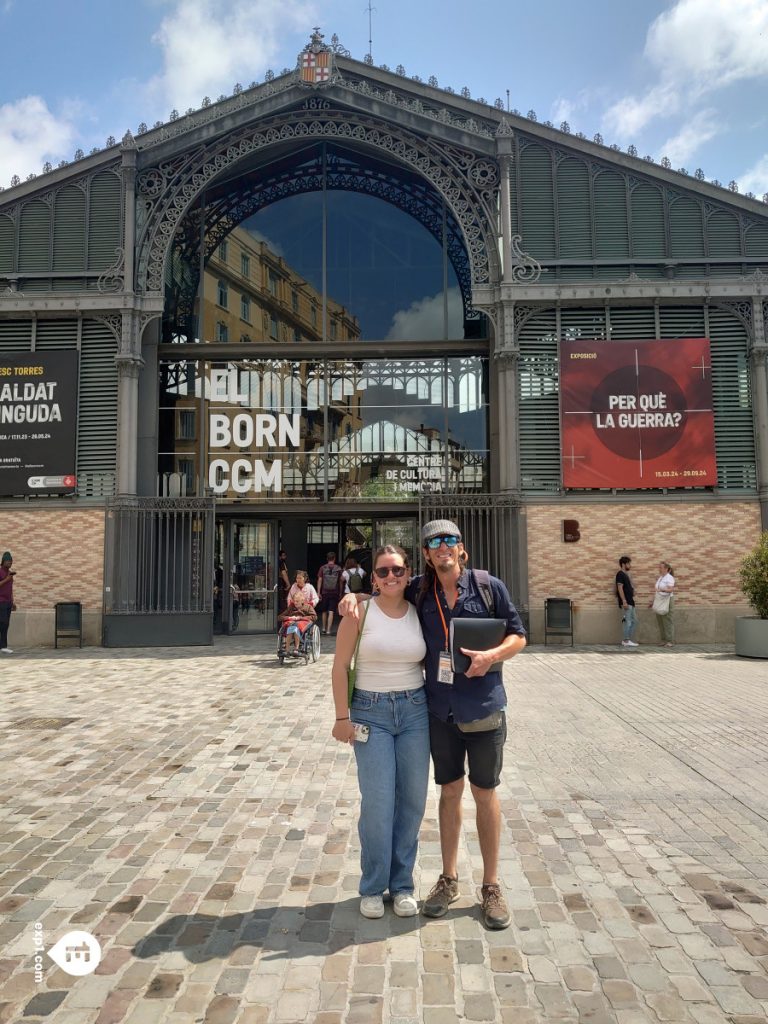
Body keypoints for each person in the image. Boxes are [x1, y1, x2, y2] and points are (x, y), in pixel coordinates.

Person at [339, 520, 527, 930]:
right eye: (434, 543)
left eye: (450, 541)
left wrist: (491, 656)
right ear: (426, 553)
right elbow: (384, 589)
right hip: (438, 710)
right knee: (448, 791)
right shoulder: (421, 589)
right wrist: (351, 595)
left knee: (484, 792)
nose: (442, 547)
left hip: (482, 707)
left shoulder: (488, 586)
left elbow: (519, 636)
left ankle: (491, 885)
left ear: (462, 549)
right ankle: (447, 878)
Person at [332, 545, 429, 920]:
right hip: (370, 713)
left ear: (409, 574)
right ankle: (373, 885)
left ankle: (402, 884)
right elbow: (340, 667)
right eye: (383, 571)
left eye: (398, 570)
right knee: (377, 800)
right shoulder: (360, 612)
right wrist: (342, 718)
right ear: (373, 577)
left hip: (415, 712)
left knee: (412, 800)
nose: (391, 577)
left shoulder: (419, 613)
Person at [279, 570, 319, 654]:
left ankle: (297, 647)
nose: (298, 580)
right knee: (290, 625)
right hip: (294, 610)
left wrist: (309, 605)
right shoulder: (293, 586)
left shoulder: (309, 587)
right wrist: (293, 606)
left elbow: (316, 598)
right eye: (297, 578)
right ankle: (287, 649)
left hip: (305, 610)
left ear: (305, 578)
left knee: (298, 625)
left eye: (300, 578)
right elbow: (289, 598)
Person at [317, 551, 343, 635]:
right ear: (334, 558)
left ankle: (323, 628)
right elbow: (341, 581)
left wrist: (318, 592)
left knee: (324, 611)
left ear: (327, 558)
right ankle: (329, 630)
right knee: (331, 611)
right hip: (334, 592)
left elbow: (320, 580)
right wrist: (340, 592)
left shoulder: (322, 568)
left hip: (324, 592)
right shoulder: (338, 568)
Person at [616, 556, 638, 647]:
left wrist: (630, 579)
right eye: (628, 563)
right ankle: (626, 640)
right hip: (626, 602)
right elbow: (620, 588)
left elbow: (633, 590)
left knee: (635, 621)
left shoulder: (626, 575)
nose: (630, 565)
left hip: (631, 601)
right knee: (628, 621)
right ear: (623, 564)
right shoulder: (620, 574)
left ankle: (627, 639)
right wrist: (624, 601)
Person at [652, 561, 676, 647]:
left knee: (667, 621)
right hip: (660, 601)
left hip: (667, 601)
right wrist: (652, 601)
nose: (659, 569)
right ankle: (663, 640)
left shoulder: (669, 578)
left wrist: (662, 590)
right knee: (660, 621)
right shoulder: (661, 577)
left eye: (661, 567)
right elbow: (657, 590)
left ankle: (670, 641)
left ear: (666, 569)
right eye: (659, 567)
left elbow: (671, 590)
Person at [0, 552, 16, 654]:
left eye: (11, 561)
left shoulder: (9, 573)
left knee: (6, 624)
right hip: (0, 601)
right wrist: (7, 579)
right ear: (3, 562)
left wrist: (13, 601)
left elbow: (10, 589)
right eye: (8, 561)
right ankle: (3, 646)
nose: (9, 563)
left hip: (8, 602)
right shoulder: (0, 571)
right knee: (3, 623)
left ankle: (3, 646)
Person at [278, 549, 290, 614]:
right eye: (283, 555)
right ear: (280, 556)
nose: (285, 557)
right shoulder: (281, 563)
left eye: (285, 555)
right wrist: (288, 584)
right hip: (281, 583)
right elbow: (283, 573)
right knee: (282, 601)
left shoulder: (279, 563)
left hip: (280, 583)